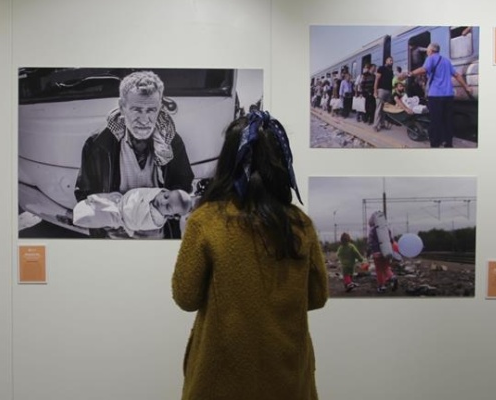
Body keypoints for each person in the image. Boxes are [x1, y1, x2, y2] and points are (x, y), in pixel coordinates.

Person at [172, 111, 328, 399]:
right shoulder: (299, 223)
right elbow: (317, 297)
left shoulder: (206, 221)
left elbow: (186, 296)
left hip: (220, 376)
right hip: (287, 373)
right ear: (281, 162)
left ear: (228, 161)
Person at [74, 70, 194, 239]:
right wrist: (108, 220)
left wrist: (163, 211)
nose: (145, 120)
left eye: (151, 110)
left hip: (156, 239)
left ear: (159, 107)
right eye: (137, 109)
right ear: (122, 107)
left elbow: (183, 186)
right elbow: (85, 194)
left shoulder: (172, 141)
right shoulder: (98, 144)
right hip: (113, 239)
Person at [409, 42, 473, 148]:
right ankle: (448, 143)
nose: (427, 52)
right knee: (447, 120)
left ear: (431, 50)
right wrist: (466, 87)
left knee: (435, 121)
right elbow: (457, 75)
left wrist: (410, 73)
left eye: (428, 50)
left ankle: (435, 144)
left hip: (435, 96)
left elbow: (424, 69)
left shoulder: (431, 58)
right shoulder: (447, 61)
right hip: (448, 95)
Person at [72, 188, 193, 237]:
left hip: (121, 217)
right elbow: (142, 193)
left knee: (92, 217)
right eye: (166, 196)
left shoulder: (157, 220)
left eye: (168, 207)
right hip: (121, 200)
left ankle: (74, 218)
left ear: (170, 215)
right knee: (97, 201)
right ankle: (82, 206)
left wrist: (142, 206)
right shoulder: (157, 193)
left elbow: (137, 221)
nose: (162, 201)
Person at [367, 211, 398, 293]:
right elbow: (391, 240)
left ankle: (382, 286)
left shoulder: (373, 230)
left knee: (379, 270)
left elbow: (369, 242)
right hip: (386, 251)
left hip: (377, 253)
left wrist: (369, 251)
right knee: (386, 268)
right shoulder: (386, 229)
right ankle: (392, 277)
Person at [373, 56, 395, 131]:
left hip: (388, 91)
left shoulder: (391, 71)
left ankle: (382, 124)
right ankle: (375, 125)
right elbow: (377, 80)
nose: (392, 62)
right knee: (379, 108)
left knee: (384, 109)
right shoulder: (381, 68)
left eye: (392, 61)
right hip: (381, 90)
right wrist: (375, 91)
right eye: (390, 60)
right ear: (386, 61)